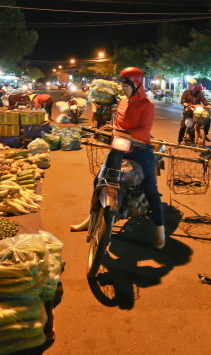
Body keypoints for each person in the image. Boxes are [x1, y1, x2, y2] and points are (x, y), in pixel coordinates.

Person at [71, 67, 166, 249]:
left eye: (126, 85)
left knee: (151, 189)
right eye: (122, 85)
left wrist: (122, 134)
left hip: (140, 150)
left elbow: (144, 131)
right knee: (99, 180)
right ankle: (92, 217)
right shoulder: (122, 102)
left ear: (137, 85)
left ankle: (160, 230)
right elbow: (117, 123)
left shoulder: (148, 105)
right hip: (119, 148)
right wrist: (107, 129)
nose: (123, 89)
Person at [178, 78, 211, 143]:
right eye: (189, 85)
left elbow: (203, 100)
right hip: (188, 111)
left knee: (207, 119)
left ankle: (204, 133)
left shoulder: (199, 93)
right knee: (183, 125)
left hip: (197, 111)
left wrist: (208, 105)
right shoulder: (186, 92)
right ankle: (179, 140)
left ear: (195, 85)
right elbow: (182, 100)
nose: (189, 86)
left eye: (191, 85)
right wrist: (185, 103)